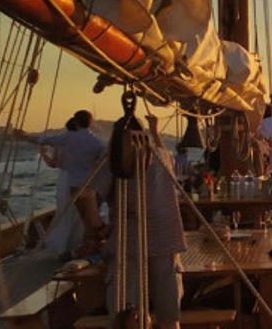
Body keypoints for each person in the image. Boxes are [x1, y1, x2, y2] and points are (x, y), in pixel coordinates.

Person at [93, 114, 186, 329]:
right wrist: (154, 131)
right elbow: (167, 158)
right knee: (169, 317)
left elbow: (87, 196)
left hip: (128, 245)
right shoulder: (161, 155)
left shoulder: (112, 160)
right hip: (165, 241)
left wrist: (96, 230)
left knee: (126, 316)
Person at [14, 110, 106, 244]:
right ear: (90, 123)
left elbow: (43, 140)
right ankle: (90, 245)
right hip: (92, 186)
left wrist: (24, 137)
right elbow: (105, 160)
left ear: (76, 122)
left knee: (85, 219)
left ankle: (88, 246)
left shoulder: (68, 138)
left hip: (76, 185)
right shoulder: (97, 142)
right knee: (90, 220)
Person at [41, 146, 84, 260]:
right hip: (83, 178)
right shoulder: (92, 140)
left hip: (66, 180)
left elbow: (54, 163)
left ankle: (65, 247)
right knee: (79, 213)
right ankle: (78, 245)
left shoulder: (63, 141)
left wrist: (43, 154)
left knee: (65, 213)